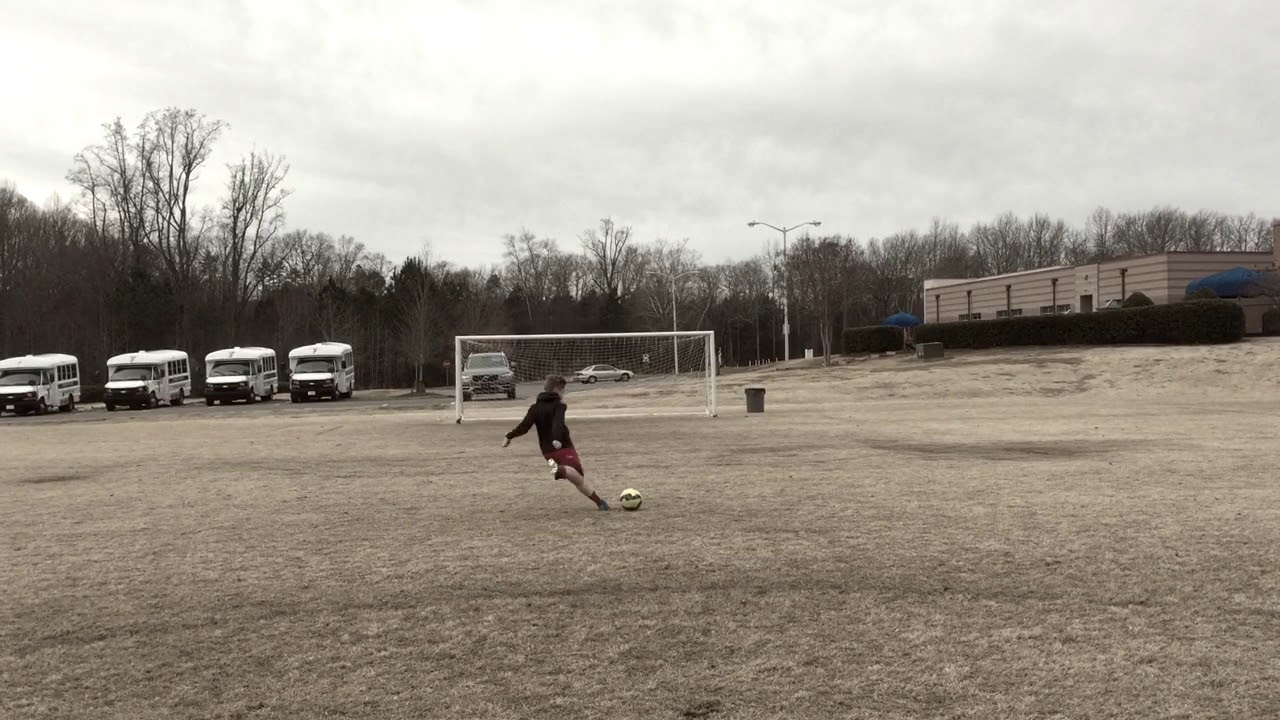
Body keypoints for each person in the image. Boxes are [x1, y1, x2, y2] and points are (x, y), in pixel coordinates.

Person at [503, 374, 609, 510]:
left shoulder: (535, 407)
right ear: (557, 390)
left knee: (573, 477)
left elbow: (524, 426)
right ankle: (562, 471)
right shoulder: (559, 405)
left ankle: (600, 503)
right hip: (563, 447)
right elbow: (558, 423)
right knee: (578, 476)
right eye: (563, 391)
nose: (563, 394)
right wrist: (557, 438)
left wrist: (509, 436)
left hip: (547, 453)